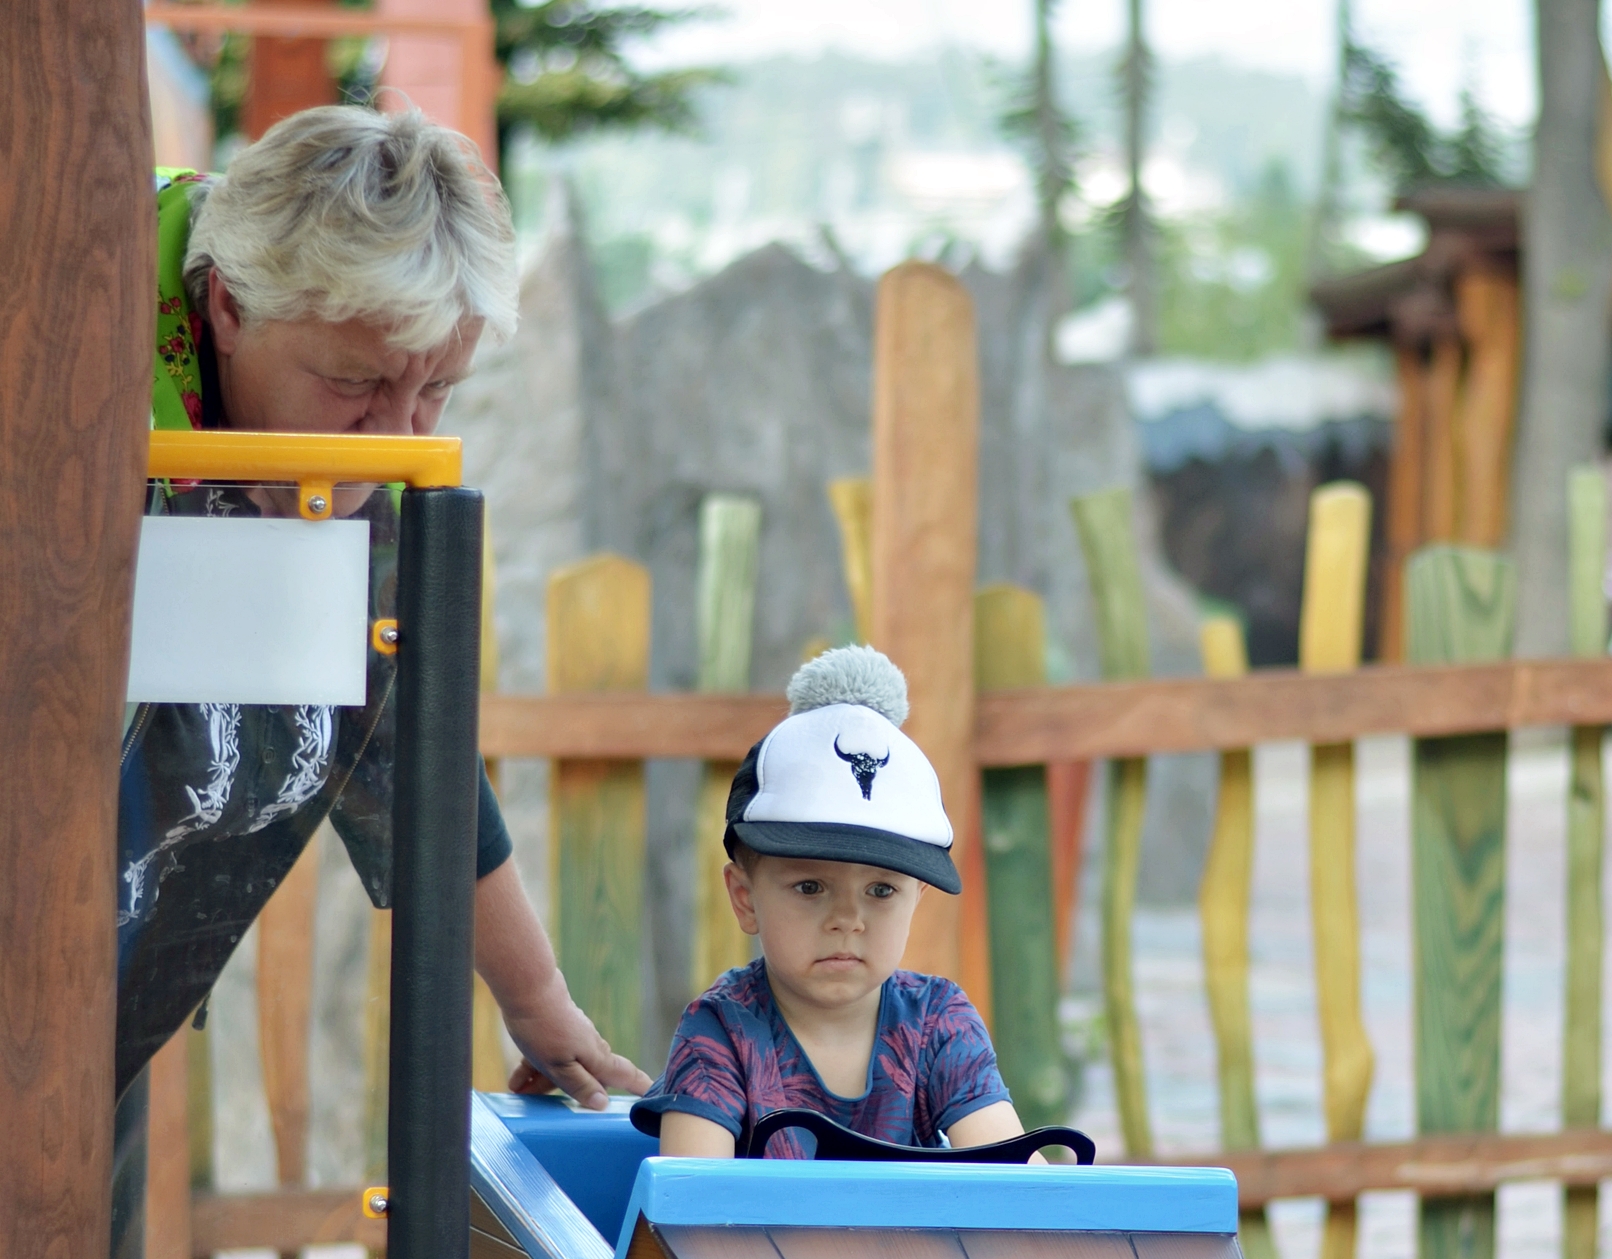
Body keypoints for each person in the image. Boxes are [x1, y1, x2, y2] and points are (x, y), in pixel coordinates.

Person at [123, 104, 645, 1112]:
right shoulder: (70, 341)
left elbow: (405, 732)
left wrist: (535, 996)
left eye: (436, 391)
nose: (389, 441)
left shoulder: (355, 483)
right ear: (227, 310)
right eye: (353, 382)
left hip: (97, 995)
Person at [631, 647, 1026, 1158]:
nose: (847, 920)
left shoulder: (937, 1023)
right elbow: (691, 1206)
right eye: (811, 887)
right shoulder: (722, 1032)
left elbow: (1020, 1183)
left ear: (917, 898)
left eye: (881, 890)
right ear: (745, 897)